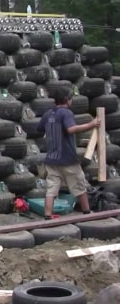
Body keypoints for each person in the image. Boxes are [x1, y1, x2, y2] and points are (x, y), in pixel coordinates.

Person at [36, 88, 101, 220]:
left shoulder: (48, 113)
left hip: (52, 159)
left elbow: (39, 128)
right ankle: (87, 212)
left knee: (51, 189)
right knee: (79, 186)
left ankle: (47, 215)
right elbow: (71, 129)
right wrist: (91, 124)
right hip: (68, 158)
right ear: (67, 100)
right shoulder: (66, 113)